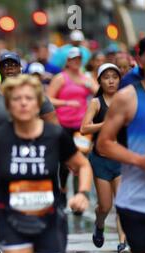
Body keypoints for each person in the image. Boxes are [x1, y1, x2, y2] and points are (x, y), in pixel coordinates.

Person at [0, 74, 92, 253]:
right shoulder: (1, 138)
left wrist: (83, 193)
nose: (23, 103)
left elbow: (82, 165)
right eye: (17, 99)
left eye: (29, 98)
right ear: (9, 104)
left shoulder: (55, 135)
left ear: (38, 103)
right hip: (12, 222)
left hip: (49, 223)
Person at [0, 51, 58, 253]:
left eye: (14, 65)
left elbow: (53, 126)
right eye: (5, 65)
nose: (10, 69)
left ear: (21, 68)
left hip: (26, 157)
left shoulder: (34, 95)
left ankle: (23, 243)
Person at [97, 36, 145, 253]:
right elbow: (104, 144)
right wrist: (139, 160)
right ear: (139, 60)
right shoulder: (128, 98)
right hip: (137, 200)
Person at [80, 63, 131, 253]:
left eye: (114, 77)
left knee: (123, 204)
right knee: (105, 205)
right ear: (100, 81)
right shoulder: (96, 102)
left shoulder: (126, 100)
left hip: (120, 159)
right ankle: (99, 225)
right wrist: (106, 123)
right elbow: (84, 128)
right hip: (100, 160)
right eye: (106, 77)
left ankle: (122, 244)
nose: (111, 80)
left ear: (120, 79)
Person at [47, 47, 98, 214]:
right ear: (67, 61)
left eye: (78, 59)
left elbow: (100, 93)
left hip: (81, 128)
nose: (76, 62)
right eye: (73, 59)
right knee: (64, 161)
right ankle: (62, 193)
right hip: (63, 125)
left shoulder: (86, 78)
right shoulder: (61, 78)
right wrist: (66, 103)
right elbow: (48, 99)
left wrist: (90, 84)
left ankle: (79, 196)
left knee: (81, 159)